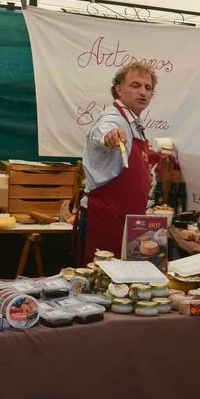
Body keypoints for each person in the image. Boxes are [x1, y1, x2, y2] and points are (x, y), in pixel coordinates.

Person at [80, 61, 165, 262]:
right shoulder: (113, 118)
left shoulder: (134, 122)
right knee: (99, 284)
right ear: (118, 90)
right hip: (105, 221)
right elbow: (102, 133)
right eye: (135, 85)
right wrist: (109, 137)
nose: (143, 92)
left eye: (148, 88)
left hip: (129, 222)